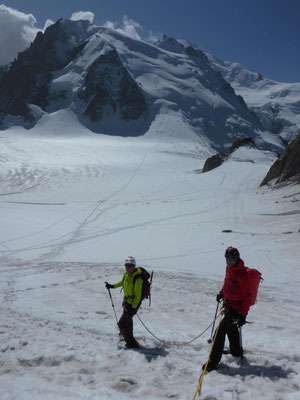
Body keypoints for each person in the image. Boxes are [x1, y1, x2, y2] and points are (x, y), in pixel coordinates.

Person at [203, 246, 251, 372]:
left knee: (219, 332)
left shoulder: (242, 274)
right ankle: (235, 352)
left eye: (232, 258)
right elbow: (227, 285)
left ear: (237, 258)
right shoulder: (230, 269)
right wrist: (222, 293)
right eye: (227, 258)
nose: (229, 260)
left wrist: (243, 315)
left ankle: (213, 362)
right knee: (231, 329)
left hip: (237, 310)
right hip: (228, 305)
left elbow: (247, 297)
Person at [105, 256, 143, 348]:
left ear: (134, 266)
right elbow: (122, 282)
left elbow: (138, 295)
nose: (128, 268)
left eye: (130, 266)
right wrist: (112, 286)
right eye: (127, 266)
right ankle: (129, 338)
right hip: (126, 302)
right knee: (128, 322)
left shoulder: (138, 278)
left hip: (133, 305)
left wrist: (134, 306)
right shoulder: (126, 275)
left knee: (122, 323)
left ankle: (131, 343)